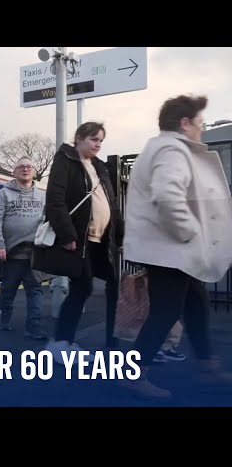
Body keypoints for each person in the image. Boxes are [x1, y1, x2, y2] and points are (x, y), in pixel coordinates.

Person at [120, 94, 232, 399]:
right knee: (166, 312)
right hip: (170, 250)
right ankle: (133, 374)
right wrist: (190, 232)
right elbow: (168, 196)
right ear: (185, 123)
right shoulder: (172, 148)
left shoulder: (158, 147)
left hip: (170, 249)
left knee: (196, 303)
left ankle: (208, 365)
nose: (202, 129)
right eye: (200, 123)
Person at [39, 122, 124, 363]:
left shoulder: (100, 167)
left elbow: (112, 204)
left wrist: (120, 237)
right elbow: (55, 200)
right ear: (79, 138)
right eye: (93, 139)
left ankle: (107, 342)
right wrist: (67, 235)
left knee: (113, 284)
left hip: (101, 241)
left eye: (101, 141)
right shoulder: (65, 160)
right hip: (80, 240)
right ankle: (61, 342)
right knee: (83, 287)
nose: (98, 144)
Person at [0, 157, 49, 340]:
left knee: (35, 290)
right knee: (8, 290)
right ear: (14, 172)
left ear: (33, 171)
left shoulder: (42, 195)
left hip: (35, 253)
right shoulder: (4, 194)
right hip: (12, 252)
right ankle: (5, 317)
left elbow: (48, 220)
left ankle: (33, 326)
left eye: (29, 167)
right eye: (21, 167)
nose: (25, 169)